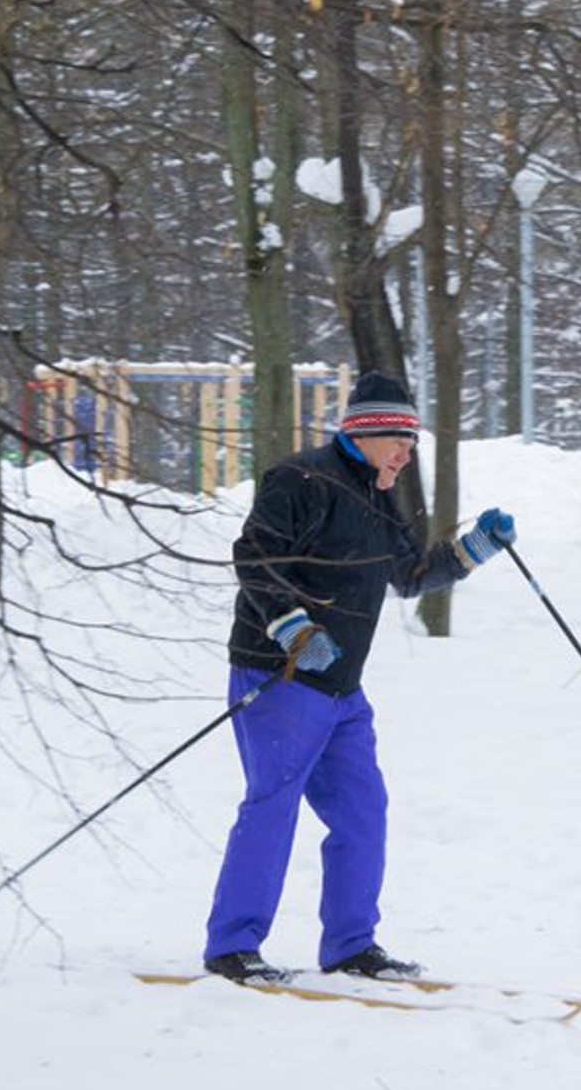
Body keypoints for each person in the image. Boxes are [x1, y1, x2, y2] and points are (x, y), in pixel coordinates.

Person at [202, 371, 516, 985]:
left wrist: (475, 549)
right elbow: (256, 558)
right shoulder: (299, 480)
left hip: (342, 688)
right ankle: (232, 947)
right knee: (273, 806)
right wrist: (293, 628)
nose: (407, 452)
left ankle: (350, 946)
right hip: (280, 675)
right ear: (367, 433)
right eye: (400, 439)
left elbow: (409, 574)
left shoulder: (378, 495)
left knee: (363, 811)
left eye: (412, 441)